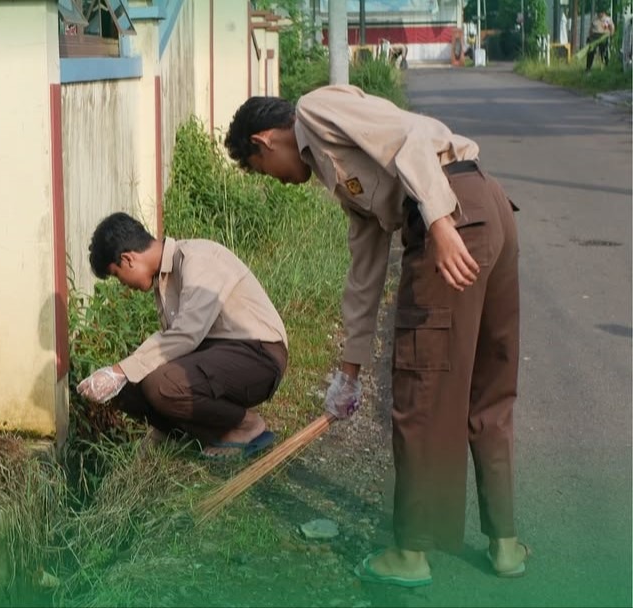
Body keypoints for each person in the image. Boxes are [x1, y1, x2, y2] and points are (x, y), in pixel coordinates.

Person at [225, 86, 525, 585]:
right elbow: (364, 275)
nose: (277, 182)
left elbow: (409, 138)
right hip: (486, 205)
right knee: (488, 389)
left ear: (264, 142)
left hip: (451, 212)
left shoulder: (315, 111)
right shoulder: (337, 171)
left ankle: (410, 555)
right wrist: (349, 372)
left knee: (422, 392)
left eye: (262, 171)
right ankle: (506, 545)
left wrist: (440, 222)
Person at [76, 212, 289, 460]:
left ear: (128, 259)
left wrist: (119, 370)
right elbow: (176, 346)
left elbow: (188, 333)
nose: (123, 285)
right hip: (219, 355)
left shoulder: (198, 259)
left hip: (259, 356)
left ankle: (246, 426)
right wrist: (124, 375)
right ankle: (186, 435)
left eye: (117, 276)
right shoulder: (165, 279)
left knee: (159, 383)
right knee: (127, 388)